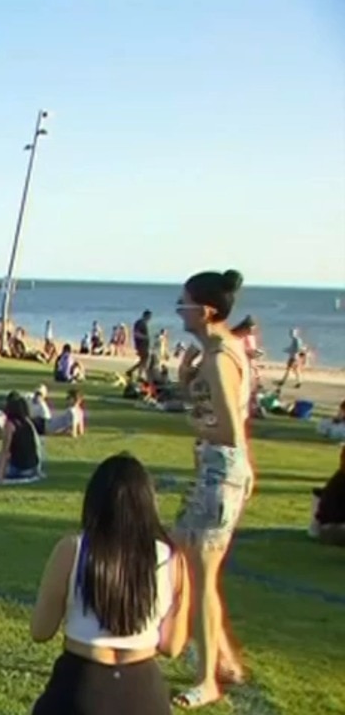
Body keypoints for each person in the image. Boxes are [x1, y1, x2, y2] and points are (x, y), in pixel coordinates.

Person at [30, 453, 191, 715]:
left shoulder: (72, 550)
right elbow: (172, 646)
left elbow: (40, 630)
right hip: (144, 695)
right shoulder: (172, 559)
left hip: (81, 688)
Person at [172, 269, 254, 708]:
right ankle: (223, 663)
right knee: (188, 560)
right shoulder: (219, 352)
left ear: (205, 311)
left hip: (219, 472)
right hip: (217, 470)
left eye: (182, 302)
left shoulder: (222, 356)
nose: (178, 308)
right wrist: (187, 383)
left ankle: (208, 680)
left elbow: (227, 427)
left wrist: (192, 421)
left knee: (201, 578)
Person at [0, 395, 43, 482]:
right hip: (33, 468)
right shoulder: (28, 423)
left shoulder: (10, 425)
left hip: (21, 470)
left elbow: (5, 451)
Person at [126, 310, 153, 381]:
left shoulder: (143, 323)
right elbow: (136, 333)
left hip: (144, 345)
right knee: (144, 360)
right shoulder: (140, 323)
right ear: (146, 316)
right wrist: (145, 337)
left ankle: (132, 371)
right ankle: (139, 375)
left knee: (143, 360)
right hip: (141, 345)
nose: (150, 318)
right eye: (149, 317)